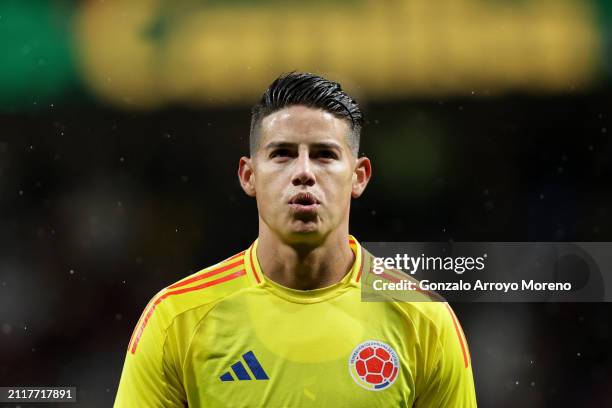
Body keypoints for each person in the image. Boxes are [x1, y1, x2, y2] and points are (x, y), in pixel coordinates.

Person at [114, 72, 477, 407]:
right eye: (282, 154)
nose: (303, 172)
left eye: (324, 155)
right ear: (249, 175)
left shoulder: (424, 319)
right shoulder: (176, 319)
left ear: (359, 176)